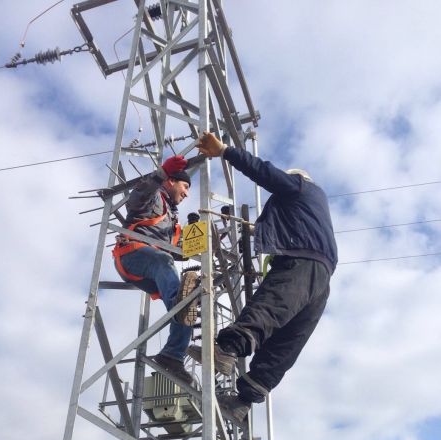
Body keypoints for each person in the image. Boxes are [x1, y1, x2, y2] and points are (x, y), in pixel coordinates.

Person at [188, 132, 338, 422]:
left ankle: (227, 350)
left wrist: (225, 151)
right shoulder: (313, 212)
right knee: (287, 340)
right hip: (322, 279)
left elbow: (265, 172)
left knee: (269, 307)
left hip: (300, 264)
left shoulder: (299, 187)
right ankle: (243, 401)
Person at [113, 155, 199, 385]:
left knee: (188, 297)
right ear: (170, 182)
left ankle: (172, 355)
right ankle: (181, 306)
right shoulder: (154, 199)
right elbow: (137, 198)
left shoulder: (172, 220)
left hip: (153, 265)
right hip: (132, 255)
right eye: (185, 186)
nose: (187, 193)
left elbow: (177, 252)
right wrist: (161, 172)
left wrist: (203, 244)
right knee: (168, 269)